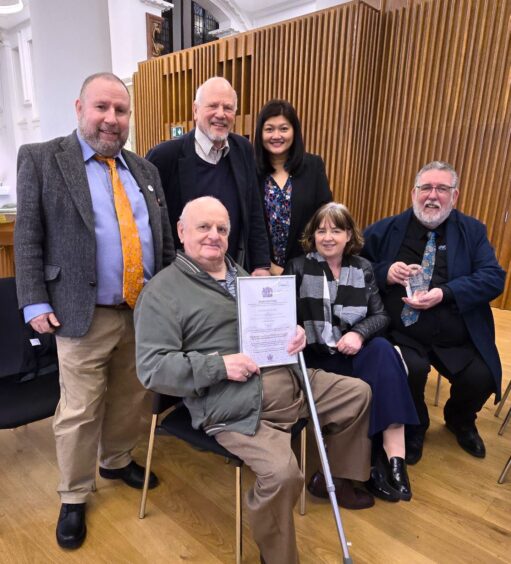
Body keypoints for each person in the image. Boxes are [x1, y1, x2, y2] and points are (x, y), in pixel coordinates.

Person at [135, 196, 374, 564]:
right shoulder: (162, 292)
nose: (214, 235)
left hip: (288, 378)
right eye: (204, 227)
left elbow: (275, 329)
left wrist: (293, 335)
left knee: (357, 393)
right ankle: (277, 558)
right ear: (181, 232)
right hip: (234, 404)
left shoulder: (242, 276)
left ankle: (336, 479)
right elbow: (152, 368)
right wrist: (219, 365)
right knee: (282, 476)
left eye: (221, 229)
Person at [14, 72, 175, 550]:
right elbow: (28, 236)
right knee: (80, 407)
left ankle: (117, 458)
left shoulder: (144, 170)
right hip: (79, 310)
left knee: (132, 394)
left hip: (142, 308)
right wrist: (34, 300)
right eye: (102, 108)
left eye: (120, 111)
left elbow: (161, 238)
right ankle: (74, 494)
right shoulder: (43, 159)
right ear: (79, 106)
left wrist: (167, 297)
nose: (111, 119)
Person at [362, 161, 505, 464]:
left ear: (455, 196)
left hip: (455, 332)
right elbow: (352, 266)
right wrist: (386, 271)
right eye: (426, 187)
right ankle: (416, 426)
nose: (432, 195)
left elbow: (494, 277)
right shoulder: (385, 229)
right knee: (409, 370)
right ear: (413, 192)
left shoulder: (472, 231)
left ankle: (459, 419)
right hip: (403, 331)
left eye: (442, 189)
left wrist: (446, 292)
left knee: (481, 376)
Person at [285, 202, 418, 502]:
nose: (328, 237)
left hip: (350, 352)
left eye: (336, 230)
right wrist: (296, 329)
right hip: (317, 358)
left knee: (384, 351)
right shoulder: (298, 267)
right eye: (321, 230)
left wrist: (359, 333)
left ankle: (394, 457)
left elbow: (381, 316)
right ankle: (372, 466)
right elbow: (284, 318)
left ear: (349, 235)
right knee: (379, 376)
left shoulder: (363, 268)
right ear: (313, 235)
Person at [146, 76, 270, 274]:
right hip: (183, 277)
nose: (220, 114)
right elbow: (152, 224)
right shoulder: (164, 157)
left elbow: (254, 210)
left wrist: (261, 264)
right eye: (213, 106)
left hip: (233, 272)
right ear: (195, 110)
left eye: (228, 108)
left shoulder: (243, 150)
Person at [254, 99, 333, 275]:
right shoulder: (250, 170)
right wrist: (268, 266)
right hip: (261, 270)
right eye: (269, 129)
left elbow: (325, 216)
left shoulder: (313, 166)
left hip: (305, 269)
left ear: (294, 131)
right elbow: (248, 225)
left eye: (283, 128)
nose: (276, 136)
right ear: (260, 133)